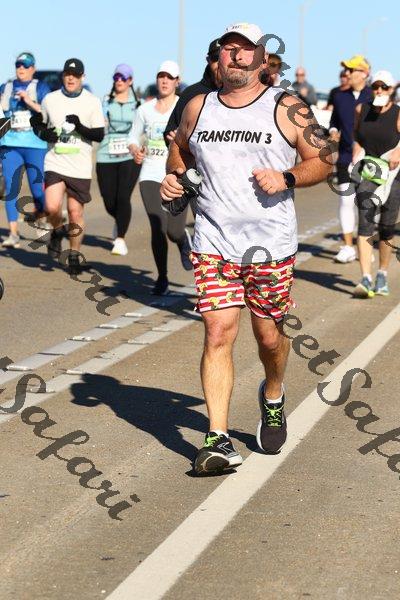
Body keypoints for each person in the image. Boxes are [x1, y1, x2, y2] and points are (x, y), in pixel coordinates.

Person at [160, 22, 333, 475]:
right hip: (213, 242)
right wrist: (175, 178)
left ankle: (273, 393)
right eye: (228, 48)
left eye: (245, 49)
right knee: (218, 333)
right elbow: (180, 151)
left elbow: (324, 159)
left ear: (261, 58)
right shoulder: (198, 106)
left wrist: (288, 177)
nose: (235, 55)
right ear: (218, 57)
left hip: (270, 247)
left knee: (269, 338)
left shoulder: (287, 107)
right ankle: (217, 438)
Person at [31, 58, 105, 274]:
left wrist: (80, 126)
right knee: (52, 207)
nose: (71, 78)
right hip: (55, 161)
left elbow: (99, 134)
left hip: (79, 166)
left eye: (76, 75)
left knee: (75, 212)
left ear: (83, 77)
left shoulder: (92, 101)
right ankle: (56, 231)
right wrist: (43, 133)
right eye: (67, 74)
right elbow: (38, 122)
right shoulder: (50, 99)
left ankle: (73, 255)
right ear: (63, 76)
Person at [128, 60, 192, 296]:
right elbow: (132, 137)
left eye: (169, 77)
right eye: (161, 76)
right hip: (150, 173)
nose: (164, 81)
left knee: (173, 231)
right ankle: (162, 277)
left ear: (177, 81)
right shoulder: (144, 109)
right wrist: (135, 150)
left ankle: (183, 240)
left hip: (177, 174)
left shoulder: (185, 107)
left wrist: (181, 139)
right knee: (157, 225)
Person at [352, 70, 400, 297]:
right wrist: (356, 150)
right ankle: (365, 278)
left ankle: (381, 273)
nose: (379, 90)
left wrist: (398, 152)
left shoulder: (398, 113)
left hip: (393, 174)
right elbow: (356, 135)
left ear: (391, 90)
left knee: (387, 227)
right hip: (369, 172)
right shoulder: (361, 109)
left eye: (384, 87)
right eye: (375, 86)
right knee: (365, 223)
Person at [0, 52, 51, 248]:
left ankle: (42, 218)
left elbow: (48, 113)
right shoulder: (6, 87)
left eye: (26, 65)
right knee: (11, 188)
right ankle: (13, 233)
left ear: (33, 69)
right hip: (10, 145)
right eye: (18, 65)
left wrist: (29, 101)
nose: (21, 68)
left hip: (35, 145)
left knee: (37, 188)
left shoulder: (41, 87)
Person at [329, 55, 372, 263]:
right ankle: (348, 247)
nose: (347, 73)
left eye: (352, 70)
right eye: (346, 70)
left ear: (364, 73)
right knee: (345, 200)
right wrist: (333, 131)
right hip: (345, 156)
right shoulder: (339, 96)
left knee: (367, 204)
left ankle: (366, 247)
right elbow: (334, 121)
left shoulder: (374, 95)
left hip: (370, 158)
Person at [96, 64, 141, 256]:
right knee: (109, 200)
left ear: (130, 81)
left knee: (123, 197)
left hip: (129, 155)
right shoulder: (105, 101)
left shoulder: (138, 105)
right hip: (105, 154)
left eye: (124, 78)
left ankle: (120, 239)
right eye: (116, 77)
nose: (119, 81)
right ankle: (120, 220)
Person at [164, 39, 221, 145]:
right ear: (208, 60)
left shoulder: (241, 94)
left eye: (223, 57)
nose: (220, 63)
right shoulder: (190, 93)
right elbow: (170, 133)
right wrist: (176, 141)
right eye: (215, 58)